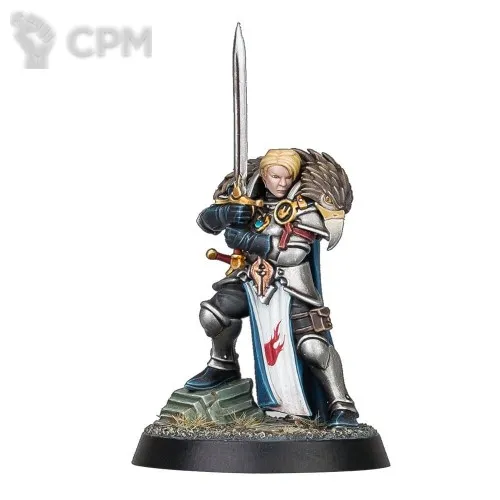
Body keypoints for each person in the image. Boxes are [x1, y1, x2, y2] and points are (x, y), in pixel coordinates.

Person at [184, 148, 359, 426]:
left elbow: (293, 254)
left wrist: (248, 240)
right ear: (264, 176)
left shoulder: (303, 209)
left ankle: (341, 404)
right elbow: (205, 222)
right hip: (251, 279)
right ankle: (222, 364)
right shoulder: (246, 195)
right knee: (213, 315)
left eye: (287, 177)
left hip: (291, 285)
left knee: (313, 347)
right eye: (276, 177)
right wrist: (226, 213)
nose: (282, 183)